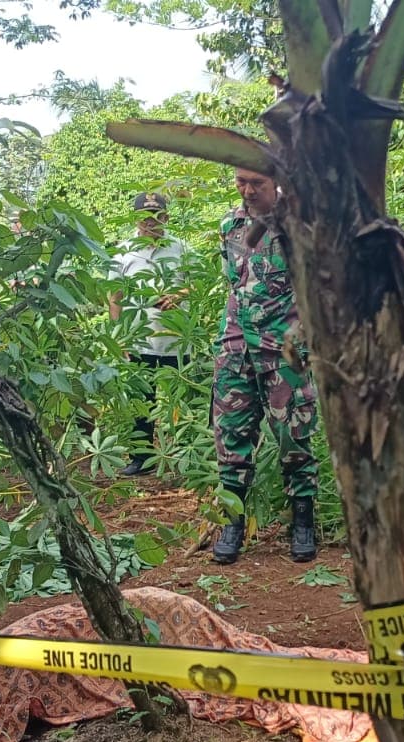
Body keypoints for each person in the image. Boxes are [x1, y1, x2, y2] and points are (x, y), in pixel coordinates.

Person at [211, 168, 320, 565]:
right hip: (236, 348)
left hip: (283, 352)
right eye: (241, 181)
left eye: (256, 182)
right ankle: (232, 523)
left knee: (294, 438)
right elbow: (234, 285)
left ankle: (303, 521)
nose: (248, 190)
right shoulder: (231, 225)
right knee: (231, 437)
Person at [108, 191, 189, 477]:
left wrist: (178, 295)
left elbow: (196, 284)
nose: (151, 223)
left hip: (177, 339)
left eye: (157, 216)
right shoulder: (124, 250)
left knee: (182, 399)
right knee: (141, 400)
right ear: (136, 219)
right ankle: (140, 458)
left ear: (166, 217)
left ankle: (186, 455)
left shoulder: (181, 247)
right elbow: (115, 296)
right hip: (140, 339)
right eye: (145, 217)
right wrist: (119, 336)